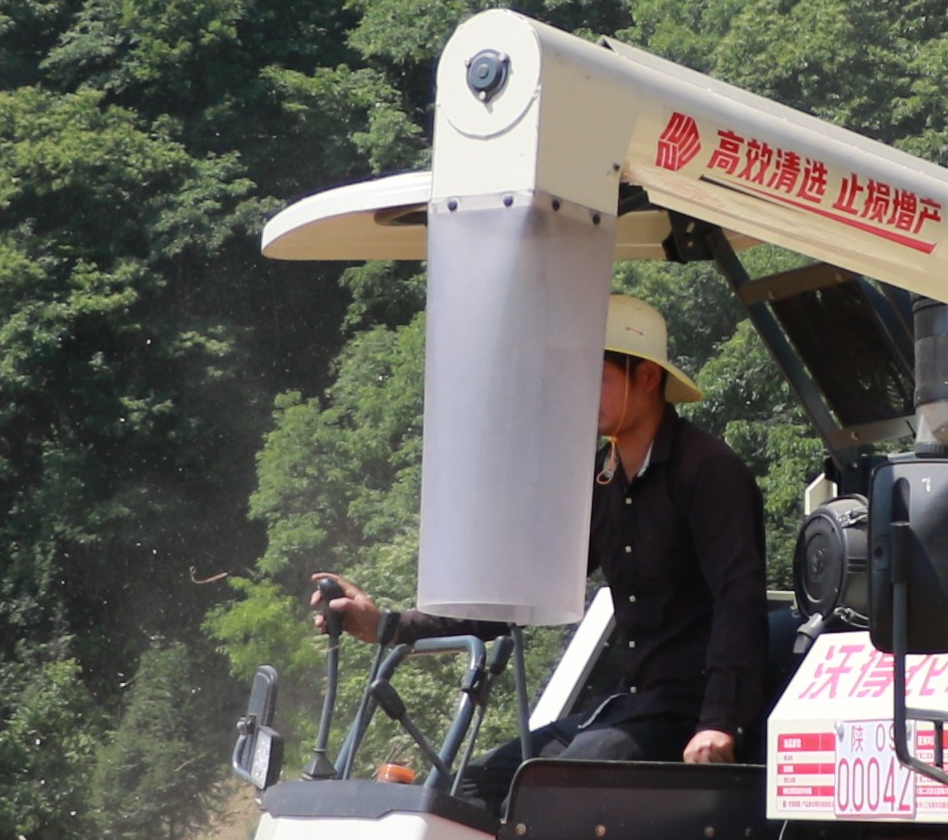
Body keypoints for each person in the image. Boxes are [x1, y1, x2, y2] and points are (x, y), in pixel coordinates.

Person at [311, 290, 770, 764]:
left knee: (556, 785)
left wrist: (718, 722)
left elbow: (740, 600)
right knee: (474, 784)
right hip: (629, 707)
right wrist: (390, 625)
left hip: (688, 717)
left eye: (597, 376)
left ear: (648, 376)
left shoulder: (709, 471)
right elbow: (522, 591)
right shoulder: (602, 478)